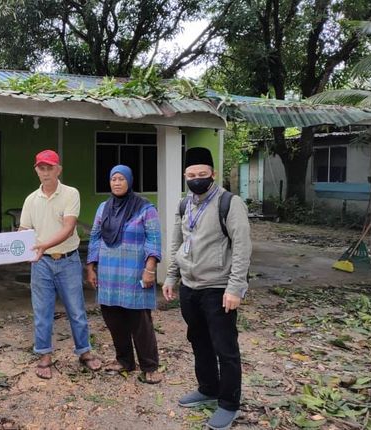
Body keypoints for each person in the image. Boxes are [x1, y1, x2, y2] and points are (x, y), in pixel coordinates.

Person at [162, 147, 251, 430]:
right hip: (190, 287)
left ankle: (229, 403)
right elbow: (177, 243)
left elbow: (242, 247)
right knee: (198, 340)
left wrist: (235, 287)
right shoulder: (183, 205)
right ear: (185, 176)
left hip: (218, 287)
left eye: (202, 174)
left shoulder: (229, 203)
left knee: (225, 347)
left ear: (213, 174)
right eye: (191, 175)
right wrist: (171, 277)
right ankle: (208, 388)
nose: (197, 179)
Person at [20, 149, 102, 379]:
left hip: (67, 260)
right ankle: (44, 355)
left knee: (76, 310)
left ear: (59, 170)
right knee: (42, 312)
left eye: (50, 168)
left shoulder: (70, 193)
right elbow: (24, 230)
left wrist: (43, 245)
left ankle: (84, 352)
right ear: (36, 170)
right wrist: (12, 247)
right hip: (41, 263)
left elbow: (68, 228)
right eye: (41, 168)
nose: (45, 172)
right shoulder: (31, 200)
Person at [86, 165, 162, 384]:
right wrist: (90, 266)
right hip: (109, 274)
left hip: (134, 274)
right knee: (114, 319)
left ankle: (149, 366)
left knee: (140, 321)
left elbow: (154, 239)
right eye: (113, 179)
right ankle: (124, 361)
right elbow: (95, 237)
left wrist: (150, 269)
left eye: (121, 179)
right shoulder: (104, 208)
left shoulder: (145, 208)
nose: (117, 183)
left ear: (129, 181)